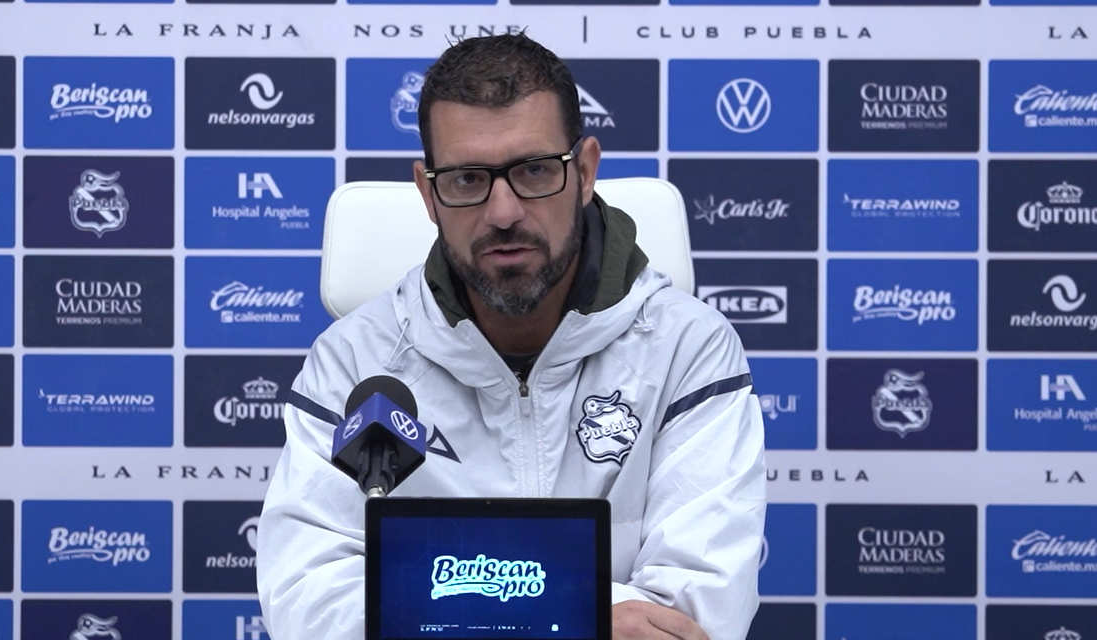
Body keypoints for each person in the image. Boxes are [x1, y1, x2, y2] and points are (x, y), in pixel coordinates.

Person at [256, 33, 767, 640]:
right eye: (467, 179)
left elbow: (693, 614)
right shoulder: (355, 364)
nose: (503, 213)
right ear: (428, 193)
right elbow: (309, 603)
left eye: (533, 170)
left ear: (584, 173)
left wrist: (441, 609)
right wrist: (579, 617)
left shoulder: (688, 350)